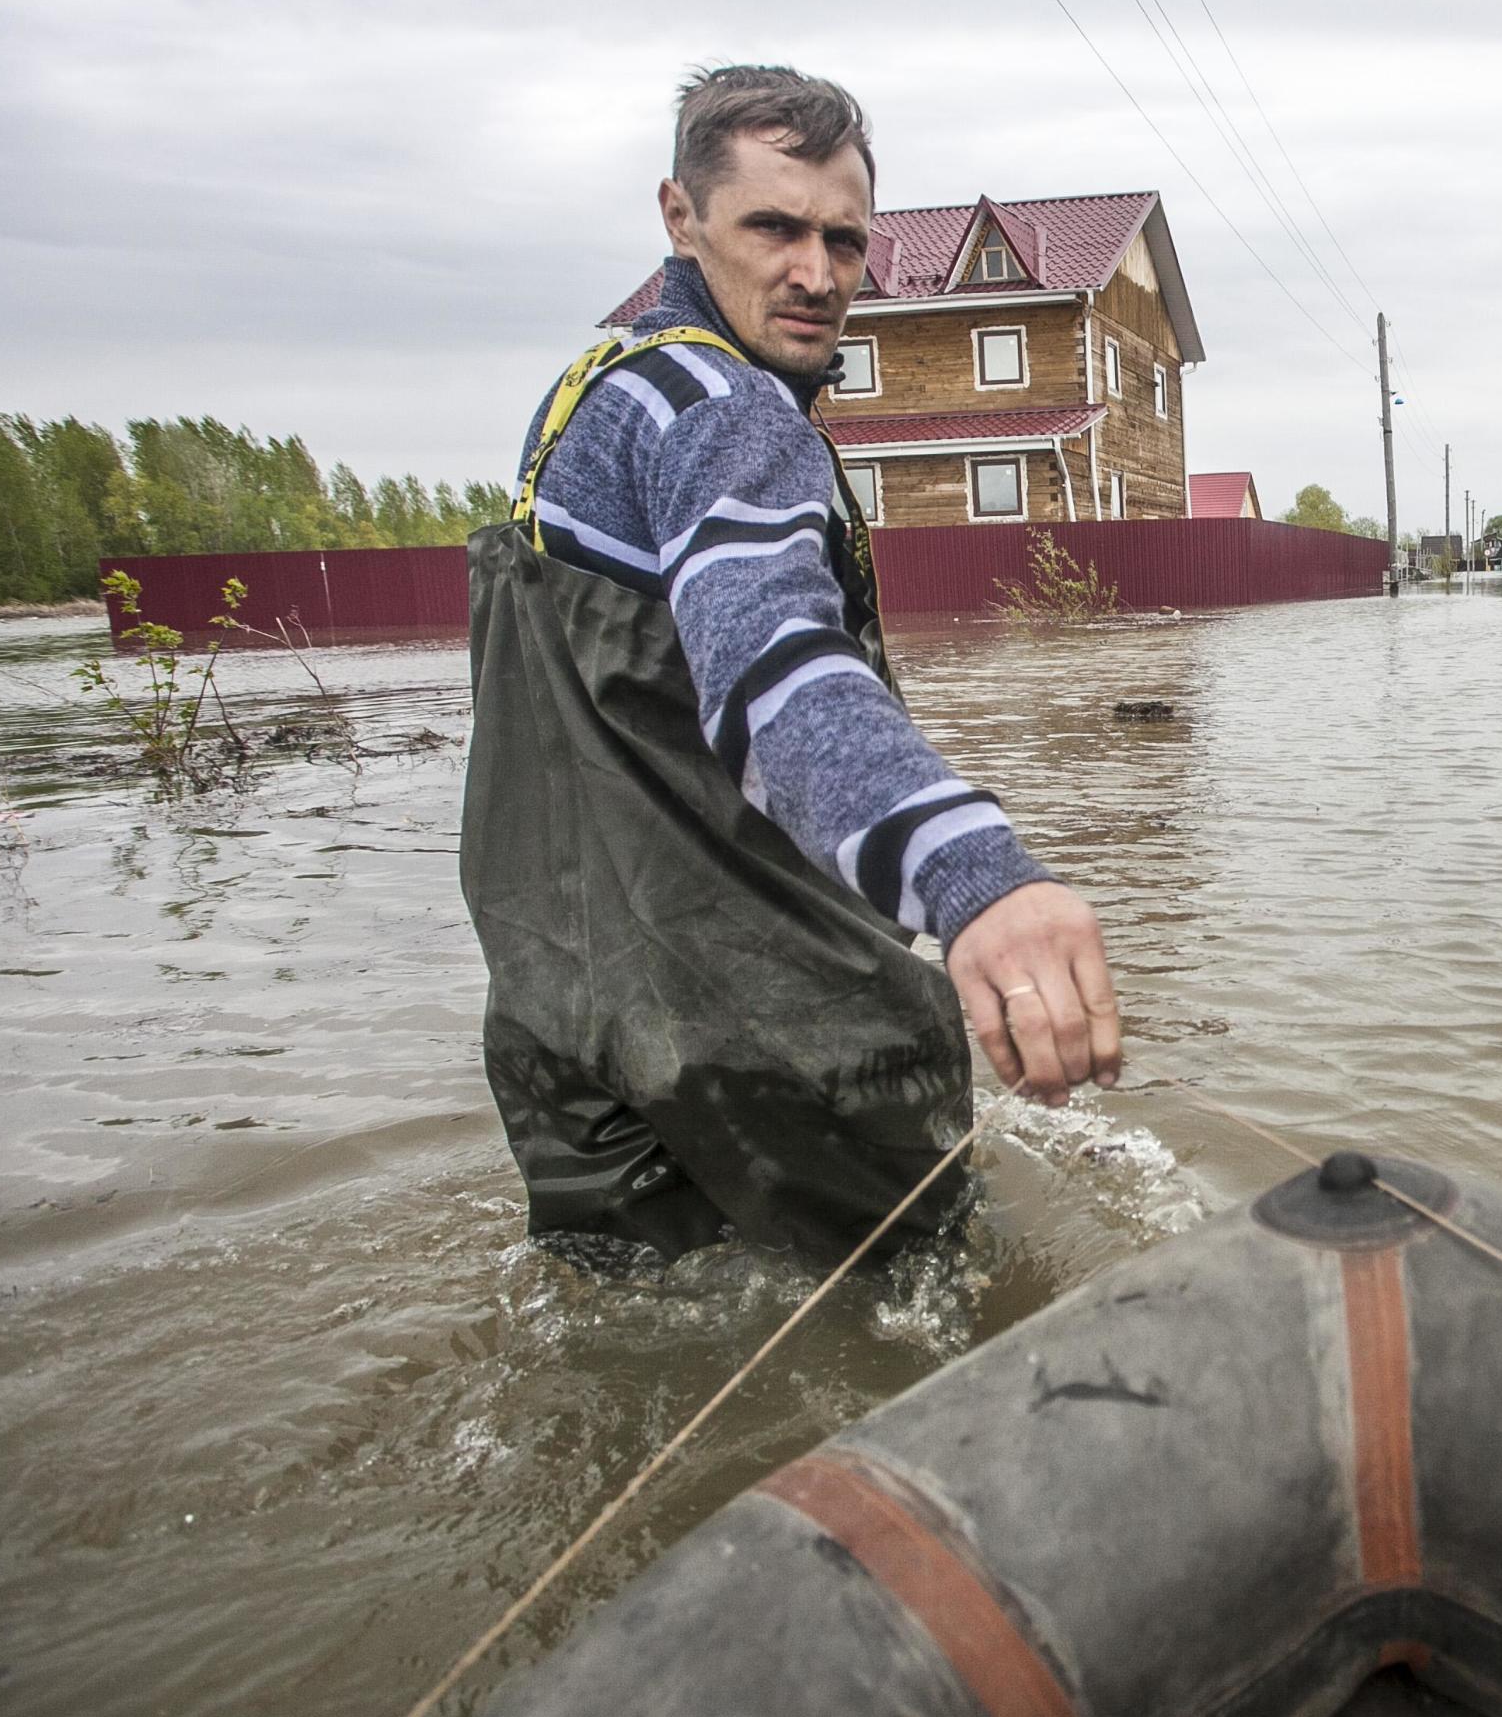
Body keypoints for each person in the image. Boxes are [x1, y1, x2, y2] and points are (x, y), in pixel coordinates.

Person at [459, 65, 1121, 1263]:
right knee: (939, 1330)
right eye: (774, 227)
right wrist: (974, 876)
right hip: (777, 1030)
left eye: (845, 240)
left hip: (567, 1020)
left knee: (633, 1351)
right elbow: (778, 664)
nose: (816, 274)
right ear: (681, 216)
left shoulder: (587, 399)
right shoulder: (730, 415)